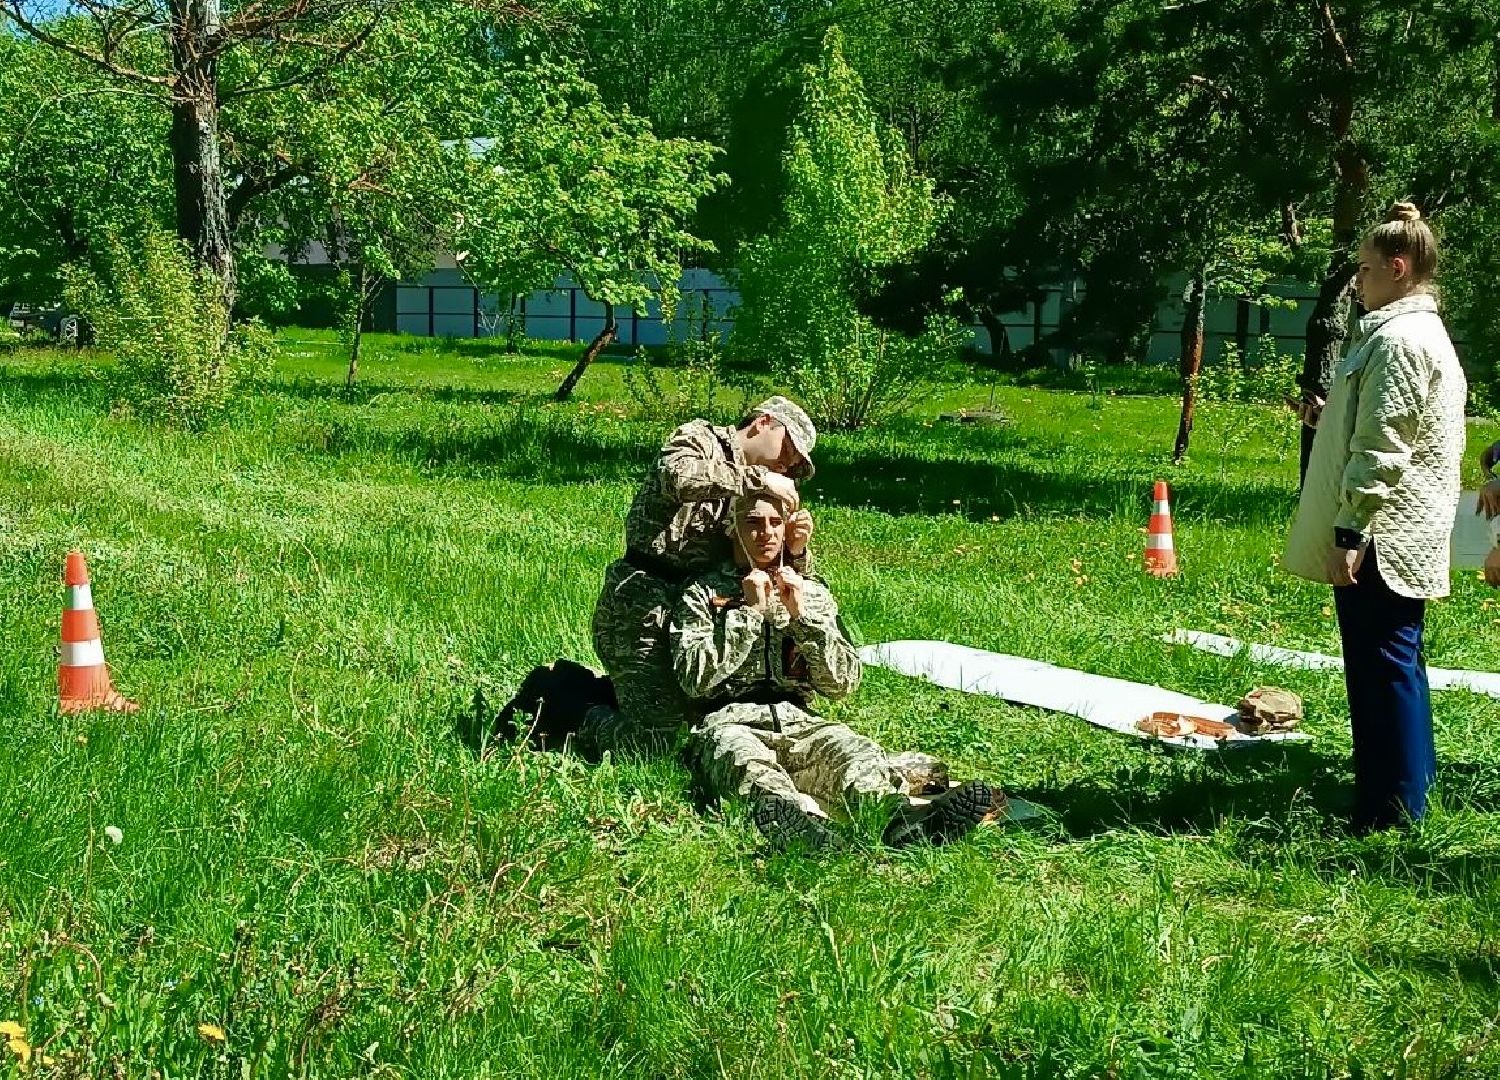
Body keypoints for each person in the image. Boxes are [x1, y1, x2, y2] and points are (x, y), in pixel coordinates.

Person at [670, 491, 997, 851]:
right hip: (729, 721)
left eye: (775, 523)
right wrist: (748, 615)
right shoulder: (702, 593)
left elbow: (842, 683)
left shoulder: (810, 591)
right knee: (744, 764)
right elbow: (693, 679)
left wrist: (803, 620)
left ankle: (905, 824)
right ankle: (801, 830)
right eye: (753, 522)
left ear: (787, 529)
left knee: (857, 755)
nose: (766, 533)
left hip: (801, 721)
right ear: (733, 529)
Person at [1284, 202, 1467, 832]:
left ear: (1399, 266)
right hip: (1394, 530)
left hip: (1382, 535)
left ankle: (1388, 813)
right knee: (1398, 664)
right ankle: (1409, 792)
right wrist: (1325, 419)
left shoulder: (1398, 339)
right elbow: (1374, 423)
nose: (1358, 282)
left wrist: (1348, 533)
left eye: (1365, 270)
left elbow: (1385, 446)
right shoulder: (1408, 334)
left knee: (1381, 669)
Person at [581, 397, 819, 756]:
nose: (788, 464)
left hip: (699, 615)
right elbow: (676, 476)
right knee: (655, 744)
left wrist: (798, 550)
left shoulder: (755, 490)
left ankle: (612, 694)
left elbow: (762, 559)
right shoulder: (700, 440)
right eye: (789, 449)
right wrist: (758, 476)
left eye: (796, 464)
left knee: (700, 733)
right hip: (643, 610)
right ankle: (566, 704)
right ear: (763, 423)